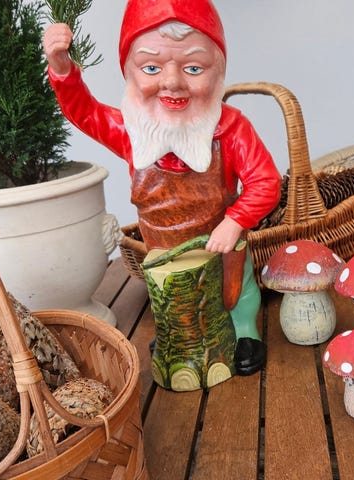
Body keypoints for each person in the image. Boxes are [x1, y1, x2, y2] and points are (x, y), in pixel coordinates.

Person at [43, 0, 281, 376]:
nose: (172, 83)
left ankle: (244, 332)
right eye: (151, 68)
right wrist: (62, 69)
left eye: (193, 68)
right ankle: (176, 335)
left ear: (218, 71)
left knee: (235, 291)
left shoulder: (231, 129)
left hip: (220, 246)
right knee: (171, 301)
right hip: (162, 254)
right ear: (129, 72)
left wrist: (235, 221)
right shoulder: (132, 132)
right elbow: (85, 112)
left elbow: (265, 181)